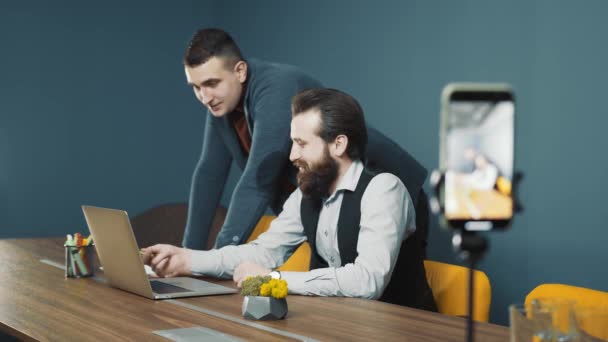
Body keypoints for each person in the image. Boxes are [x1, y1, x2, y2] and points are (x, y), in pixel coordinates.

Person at [145, 88, 436, 311]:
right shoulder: (307, 193)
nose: (292, 155)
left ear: (338, 144)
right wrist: (188, 259)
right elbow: (264, 253)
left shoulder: (384, 189)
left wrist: (274, 281)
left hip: (403, 329)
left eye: (301, 144)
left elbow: (367, 281)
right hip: (341, 325)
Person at [181, 28, 429, 253]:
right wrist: (186, 256)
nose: (204, 96)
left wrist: (216, 257)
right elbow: (209, 175)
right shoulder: (221, 104)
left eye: (211, 83)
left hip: (387, 191)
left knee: (391, 292)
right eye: (196, 87)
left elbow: (259, 178)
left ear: (240, 71)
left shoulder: (275, 87)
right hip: (329, 203)